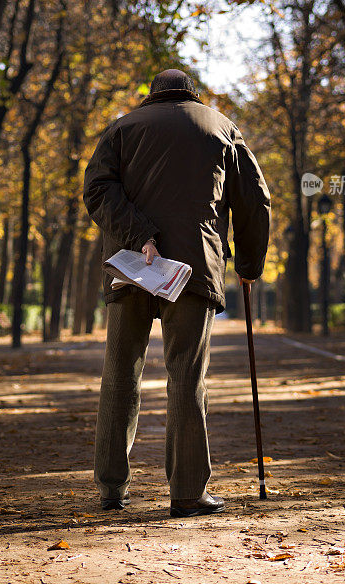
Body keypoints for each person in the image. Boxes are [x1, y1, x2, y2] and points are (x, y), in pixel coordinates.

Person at [83, 69, 270, 517]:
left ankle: (112, 489)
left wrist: (139, 234)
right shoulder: (221, 127)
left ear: (152, 95)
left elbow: (96, 189)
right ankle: (187, 493)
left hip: (131, 268)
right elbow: (254, 200)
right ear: (192, 94)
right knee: (186, 375)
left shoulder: (121, 128)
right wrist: (248, 265)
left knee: (120, 374)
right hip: (192, 268)